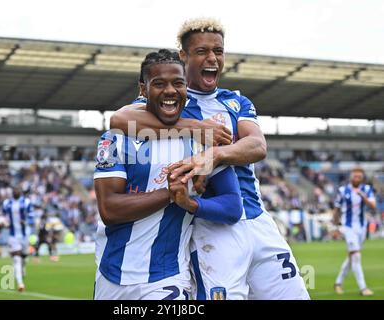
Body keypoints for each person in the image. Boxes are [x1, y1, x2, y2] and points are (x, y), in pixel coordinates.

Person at [110, 17, 309, 300]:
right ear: (183, 56)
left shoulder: (235, 100)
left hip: (257, 221)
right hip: (211, 229)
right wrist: (198, 128)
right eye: (202, 51)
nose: (212, 58)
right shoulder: (170, 101)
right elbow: (120, 119)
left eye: (218, 51)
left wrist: (214, 155)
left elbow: (256, 145)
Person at [93, 49, 243, 300]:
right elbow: (109, 210)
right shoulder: (118, 138)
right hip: (111, 274)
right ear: (143, 89)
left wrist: (192, 203)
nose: (171, 91)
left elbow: (232, 206)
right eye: (159, 84)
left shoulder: (204, 143)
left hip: (167, 277)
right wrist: (171, 195)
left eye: (178, 83)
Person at [333, 167, 376, 296]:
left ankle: (338, 283)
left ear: (362, 178)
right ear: (351, 177)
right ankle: (363, 288)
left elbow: (373, 205)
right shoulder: (342, 190)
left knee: (352, 257)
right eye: (354, 176)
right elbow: (337, 209)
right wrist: (335, 227)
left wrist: (364, 197)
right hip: (348, 227)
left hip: (362, 227)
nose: (357, 178)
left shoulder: (367, 189)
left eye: (359, 176)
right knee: (356, 256)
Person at [2, 186, 33, 292]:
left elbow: (32, 216)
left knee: (24, 257)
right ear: (12, 192)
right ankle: (20, 284)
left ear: (20, 192)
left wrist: (26, 222)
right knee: (16, 258)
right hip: (13, 235)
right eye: (14, 190)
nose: (16, 191)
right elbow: (4, 217)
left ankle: (23, 268)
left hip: (25, 235)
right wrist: (3, 223)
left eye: (18, 190)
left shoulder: (27, 202)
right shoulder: (6, 203)